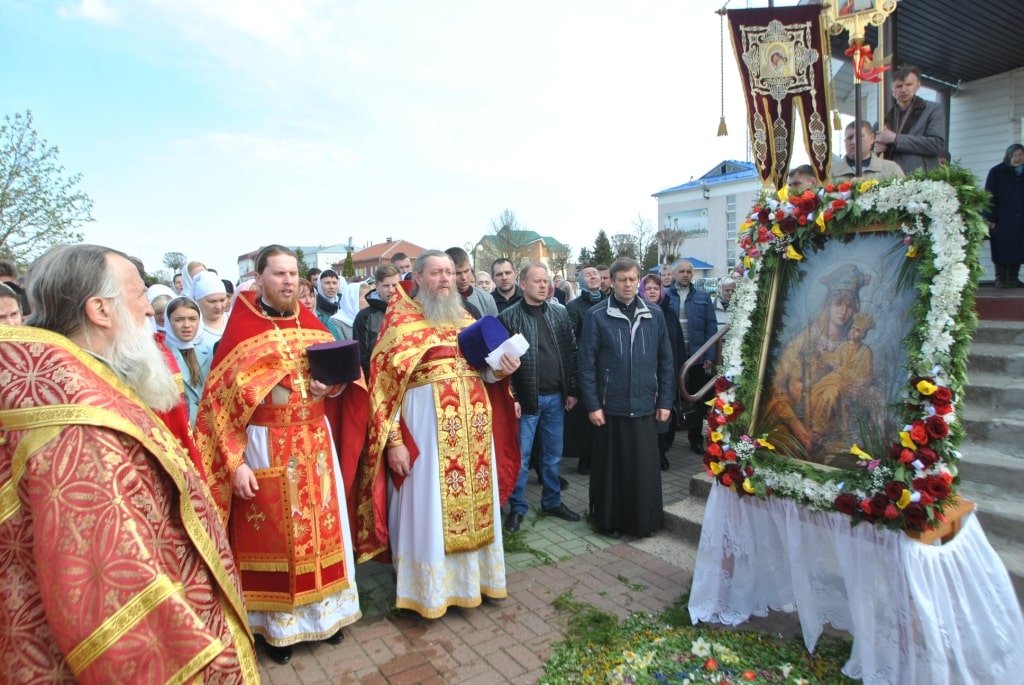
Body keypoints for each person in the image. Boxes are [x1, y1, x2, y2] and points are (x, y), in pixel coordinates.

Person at [0, 244, 258, 683]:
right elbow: (114, 595)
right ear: (100, 310)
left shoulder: (77, 381)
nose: (148, 310)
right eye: (139, 294)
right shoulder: (82, 426)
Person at [196, 245, 367, 665]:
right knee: (277, 537)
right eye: (279, 274)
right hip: (266, 444)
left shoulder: (312, 325)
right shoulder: (240, 334)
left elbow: (342, 377)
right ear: (259, 279)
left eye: (293, 273)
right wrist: (235, 463)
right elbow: (217, 409)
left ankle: (327, 615)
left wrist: (333, 387)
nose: (288, 281)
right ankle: (278, 629)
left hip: (316, 442)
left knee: (324, 529)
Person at [360, 250, 520, 618]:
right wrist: (394, 443)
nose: (446, 279)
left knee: (475, 507)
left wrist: (502, 370)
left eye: (450, 272)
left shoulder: (466, 318)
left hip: (473, 437)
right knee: (429, 507)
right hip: (427, 438)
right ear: (417, 278)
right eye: (436, 273)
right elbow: (381, 391)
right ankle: (429, 593)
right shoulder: (399, 325)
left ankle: (475, 582)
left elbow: (486, 373)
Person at [578, 258, 674, 537]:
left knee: (643, 471)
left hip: (645, 405)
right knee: (611, 472)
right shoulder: (597, 315)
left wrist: (665, 401)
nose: (628, 285)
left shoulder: (654, 314)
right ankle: (609, 522)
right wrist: (593, 405)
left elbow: (666, 362)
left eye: (632, 279)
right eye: (622, 280)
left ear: (638, 280)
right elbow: (586, 364)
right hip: (610, 407)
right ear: (612, 282)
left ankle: (644, 523)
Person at [499, 263, 581, 533]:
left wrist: (572, 390)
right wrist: (512, 397)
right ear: (522, 285)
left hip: (556, 398)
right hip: (526, 402)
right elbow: (502, 365)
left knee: (553, 455)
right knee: (521, 459)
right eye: (537, 281)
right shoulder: (508, 317)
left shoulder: (559, 313)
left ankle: (552, 502)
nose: (544, 285)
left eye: (546, 281)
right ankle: (517, 508)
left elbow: (571, 352)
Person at [664, 259, 718, 454]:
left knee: (697, 399)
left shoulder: (703, 297)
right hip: (673, 357)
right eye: (681, 271)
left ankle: (695, 439)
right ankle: (667, 438)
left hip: (697, 358)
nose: (685, 275)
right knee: (671, 398)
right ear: (674, 274)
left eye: (688, 272)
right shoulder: (665, 296)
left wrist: (710, 355)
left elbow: (711, 327)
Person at [641, 273, 687, 471]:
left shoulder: (669, 313)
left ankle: (660, 453)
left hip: (666, 372)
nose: (652, 292)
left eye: (655, 288)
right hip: (645, 374)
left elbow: (678, 344)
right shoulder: (638, 311)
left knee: (663, 415)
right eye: (648, 288)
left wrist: (680, 371)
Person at [565, 265, 607, 474]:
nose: (593, 276)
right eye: (588, 274)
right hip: (586, 368)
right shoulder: (574, 307)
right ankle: (586, 458)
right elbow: (571, 340)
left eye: (595, 273)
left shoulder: (610, 302)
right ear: (580, 282)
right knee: (586, 417)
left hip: (608, 369)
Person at [874, 65, 946, 173]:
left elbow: (936, 144)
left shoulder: (933, 109)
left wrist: (895, 139)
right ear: (892, 90)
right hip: (889, 178)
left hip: (921, 178)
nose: (904, 90)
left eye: (908, 84)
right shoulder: (883, 120)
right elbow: (868, 153)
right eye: (899, 86)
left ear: (918, 85)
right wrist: (875, 151)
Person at [164, 295, 215, 426]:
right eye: (179, 320)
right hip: (179, 426)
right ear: (168, 322)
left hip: (209, 425)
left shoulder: (210, 350)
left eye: (192, 319)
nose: (187, 325)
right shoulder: (161, 355)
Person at [984, 143, 1024, 288]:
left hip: (1020, 219)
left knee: (1019, 247)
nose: (1018, 158)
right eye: (1015, 155)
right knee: (1001, 247)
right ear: (1008, 156)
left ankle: (1013, 278)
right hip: (1002, 218)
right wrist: (989, 217)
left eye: (1021, 155)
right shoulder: (997, 172)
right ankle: (1000, 278)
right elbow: (988, 196)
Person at [353, 264, 401, 379]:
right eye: (386, 286)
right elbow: (362, 356)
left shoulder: (409, 312)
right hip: (377, 379)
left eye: (395, 285)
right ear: (377, 286)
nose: (391, 290)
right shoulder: (365, 316)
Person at [831, 121, 905, 182]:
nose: (854, 141)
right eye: (849, 138)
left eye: (859, 136)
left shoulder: (890, 170)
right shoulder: (830, 172)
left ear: (872, 138)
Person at [447, 247, 498, 317]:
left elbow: (493, 323)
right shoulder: (439, 301)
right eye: (457, 273)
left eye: (466, 271)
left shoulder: (487, 299)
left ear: (470, 267)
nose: (464, 277)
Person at [194, 271, 230, 345]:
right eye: (212, 301)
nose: (218, 307)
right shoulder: (191, 328)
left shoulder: (233, 320)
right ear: (197, 300)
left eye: (222, 300)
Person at [314, 269, 345, 337]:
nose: (331, 287)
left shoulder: (342, 305)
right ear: (320, 285)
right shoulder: (314, 306)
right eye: (327, 283)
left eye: (334, 283)